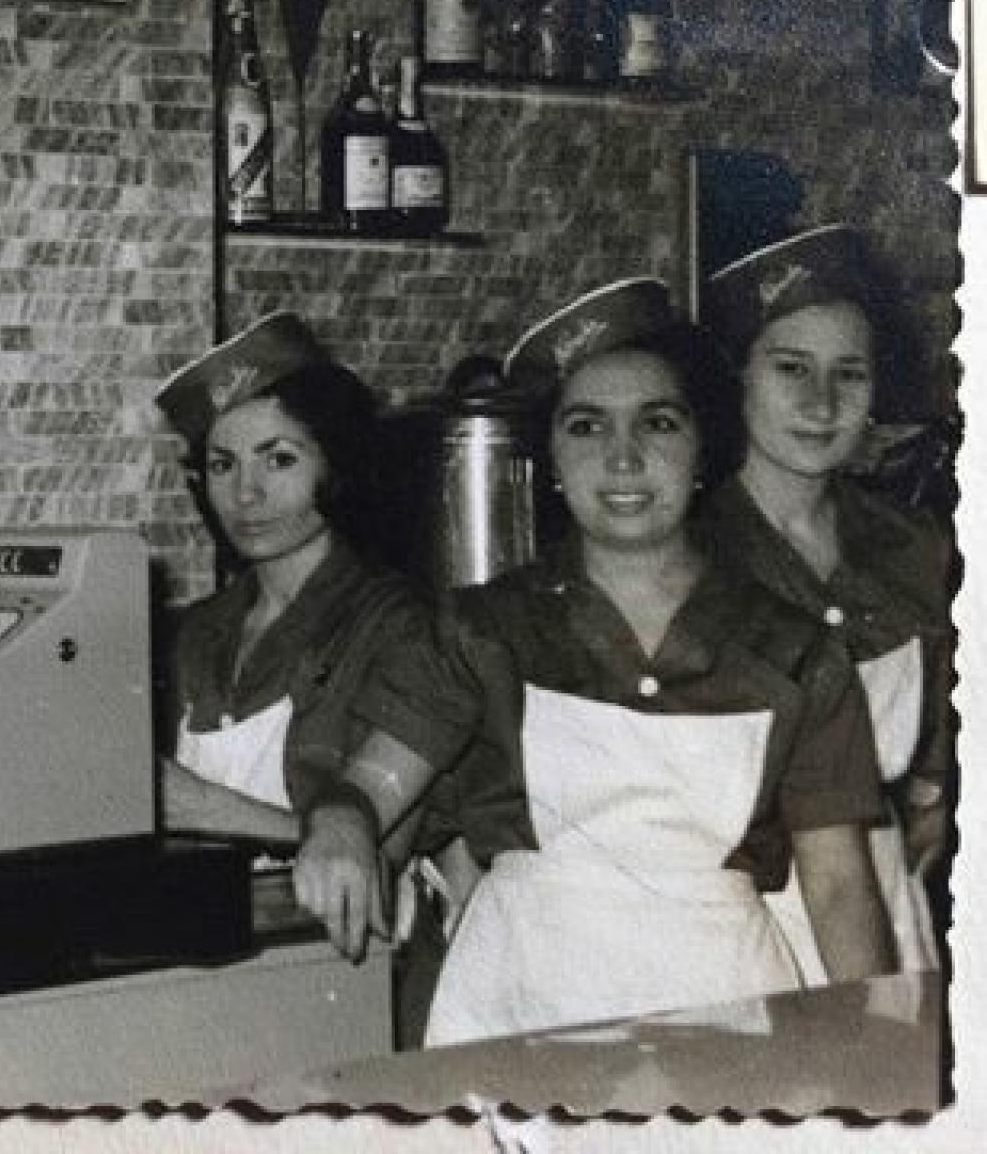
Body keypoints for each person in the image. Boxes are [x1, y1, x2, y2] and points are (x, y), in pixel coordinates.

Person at [383, 278, 894, 1047]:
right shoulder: (487, 628)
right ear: (551, 456)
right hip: (523, 995)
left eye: (658, 423)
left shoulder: (793, 648)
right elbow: (371, 787)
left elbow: (839, 881)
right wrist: (339, 827)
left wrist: (878, 1048)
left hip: (726, 1001)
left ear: (701, 446)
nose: (622, 458)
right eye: (586, 427)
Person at [153, 312, 468, 1033]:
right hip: (214, 979)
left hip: (354, 985)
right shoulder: (192, 633)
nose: (247, 494)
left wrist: (202, 809)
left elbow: (375, 861)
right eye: (223, 465)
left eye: (279, 459)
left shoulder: (404, 626)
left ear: (335, 461)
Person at [698, 224, 955, 980]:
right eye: (790, 369)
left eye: (849, 374)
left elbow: (940, 696)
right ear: (739, 379)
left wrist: (934, 781)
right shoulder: (693, 556)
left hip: (880, 893)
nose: (820, 402)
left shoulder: (911, 542)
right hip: (745, 909)